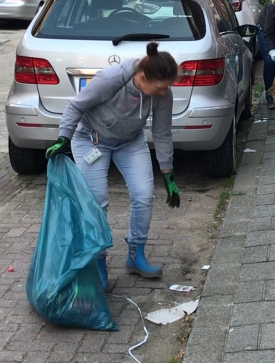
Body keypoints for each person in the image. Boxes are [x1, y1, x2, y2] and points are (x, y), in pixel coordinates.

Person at [45, 42, 181, 288]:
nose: (163, 92)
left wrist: (168, 174)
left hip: (130, 141)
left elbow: (162, 132)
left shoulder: (163, 93)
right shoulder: (113, 78)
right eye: (159, 87)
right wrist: (63, 138)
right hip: (91, 139)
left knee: (143, 194)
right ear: (142, 77)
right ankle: (98, 261)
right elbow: (77, 105)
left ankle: (135, 255)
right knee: (97, 201)